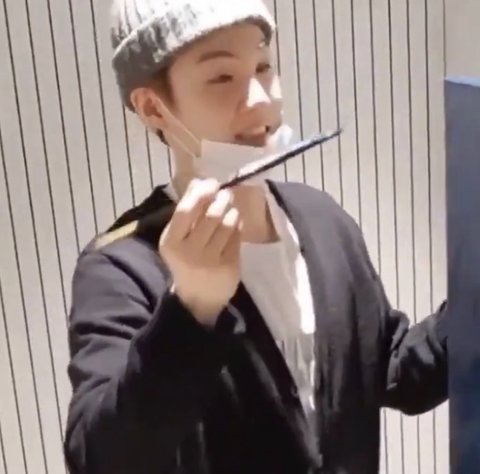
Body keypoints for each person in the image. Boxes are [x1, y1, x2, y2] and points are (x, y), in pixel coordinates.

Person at [64, 0, 448, 473]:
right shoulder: (121, 268)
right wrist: (191, 310)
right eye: (223, 77)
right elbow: (100, 459)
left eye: (264, 67)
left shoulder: (323, 220)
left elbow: (391, 369)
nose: (263, 100)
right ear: (153, 107)